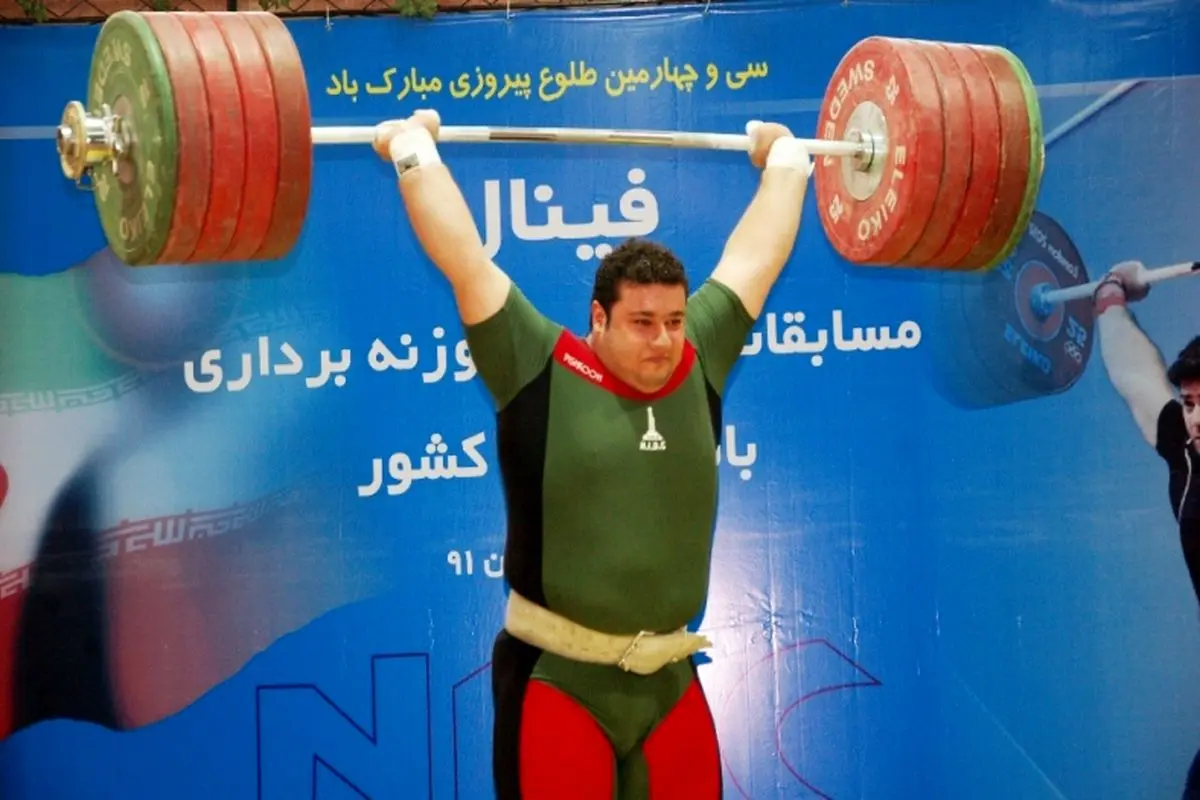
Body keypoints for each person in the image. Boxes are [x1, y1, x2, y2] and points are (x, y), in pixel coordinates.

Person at [373, 109, 811, 799]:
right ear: (598, 317)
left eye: (673, 321)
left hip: (669, 685)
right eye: (642, 322)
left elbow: (756, 256)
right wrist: (411, 150)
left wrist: (785, 160)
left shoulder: (699, 355)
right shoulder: (538, 364)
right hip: (558, 679)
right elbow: (464, 258)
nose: (663, 339)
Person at [1092, 261, 1199, 603]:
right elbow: (1132, 372)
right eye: (1190, 403)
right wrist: (1111, 293)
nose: (1196, 419)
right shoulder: (1184, 447)